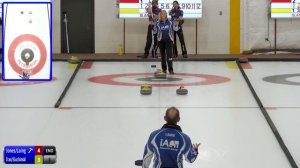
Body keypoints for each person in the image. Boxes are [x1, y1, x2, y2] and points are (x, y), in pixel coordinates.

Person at [153, 10, 175, 74]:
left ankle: (170, 70)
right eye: (162, 13)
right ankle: (164, 69)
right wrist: (153, 28)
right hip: (161, 41)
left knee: (169, 56)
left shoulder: (170, 22)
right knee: (163, 56)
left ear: (166, 15)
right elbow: (155, 32)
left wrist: (177, 23)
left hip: (169, 41)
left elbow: (175, 28)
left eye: (164, 13)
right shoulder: (157, 23)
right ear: (160, 15)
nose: (163, 15)